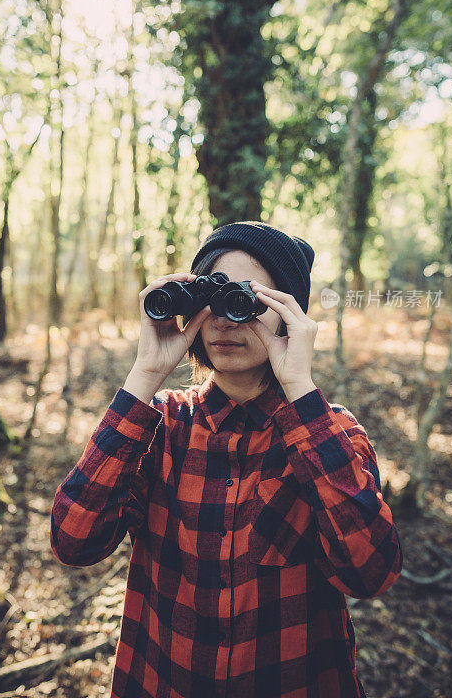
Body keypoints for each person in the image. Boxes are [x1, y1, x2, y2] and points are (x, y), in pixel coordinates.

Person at [50, 221, 403, 698]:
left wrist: (300, 386)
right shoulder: (159, 426)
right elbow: (73, 542)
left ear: (289, 315)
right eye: (211, 299)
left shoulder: (330, 433)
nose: (224, 320)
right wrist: (146, 373)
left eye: (248, 301)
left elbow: (371, 573)